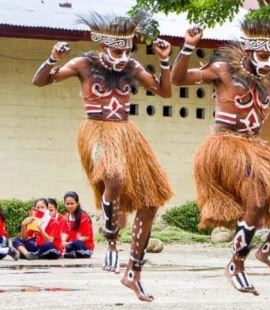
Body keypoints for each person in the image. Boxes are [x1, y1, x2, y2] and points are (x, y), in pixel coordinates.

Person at [171, 16, 270, 295]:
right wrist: (187, 47)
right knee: (258, 199)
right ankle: (236, 264)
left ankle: (267, 250)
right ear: (249, 51)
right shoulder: (223, 69)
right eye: (262, 56)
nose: (267, 62)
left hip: (254, 147)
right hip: (225, 145)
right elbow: (178, 79)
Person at [31, 12, 174, 301]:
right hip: (97, 131)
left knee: (151, 203)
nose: (123, 56)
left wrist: (164, 60)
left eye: (127, 50)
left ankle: (132, 272)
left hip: (127, 133)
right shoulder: (85, 63)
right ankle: (110, 239)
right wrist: (52, 57)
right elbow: (40, 81)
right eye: (117, 50)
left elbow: (164, 92)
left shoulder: (131, 66)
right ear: (103, 46)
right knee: (114, 177)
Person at [61, 191, 94, 259]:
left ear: (77, 203)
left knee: (77, 243)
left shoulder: (84, 217)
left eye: (72, 203)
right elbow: (64, 233)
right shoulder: (66, 217)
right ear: (64, 204)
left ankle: (80, 252)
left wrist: (70, 243)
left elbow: (86, 237)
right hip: (70, 245)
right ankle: (73, 253)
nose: (69, 206)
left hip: (83, 245)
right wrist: (63, 242)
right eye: (67, 204)